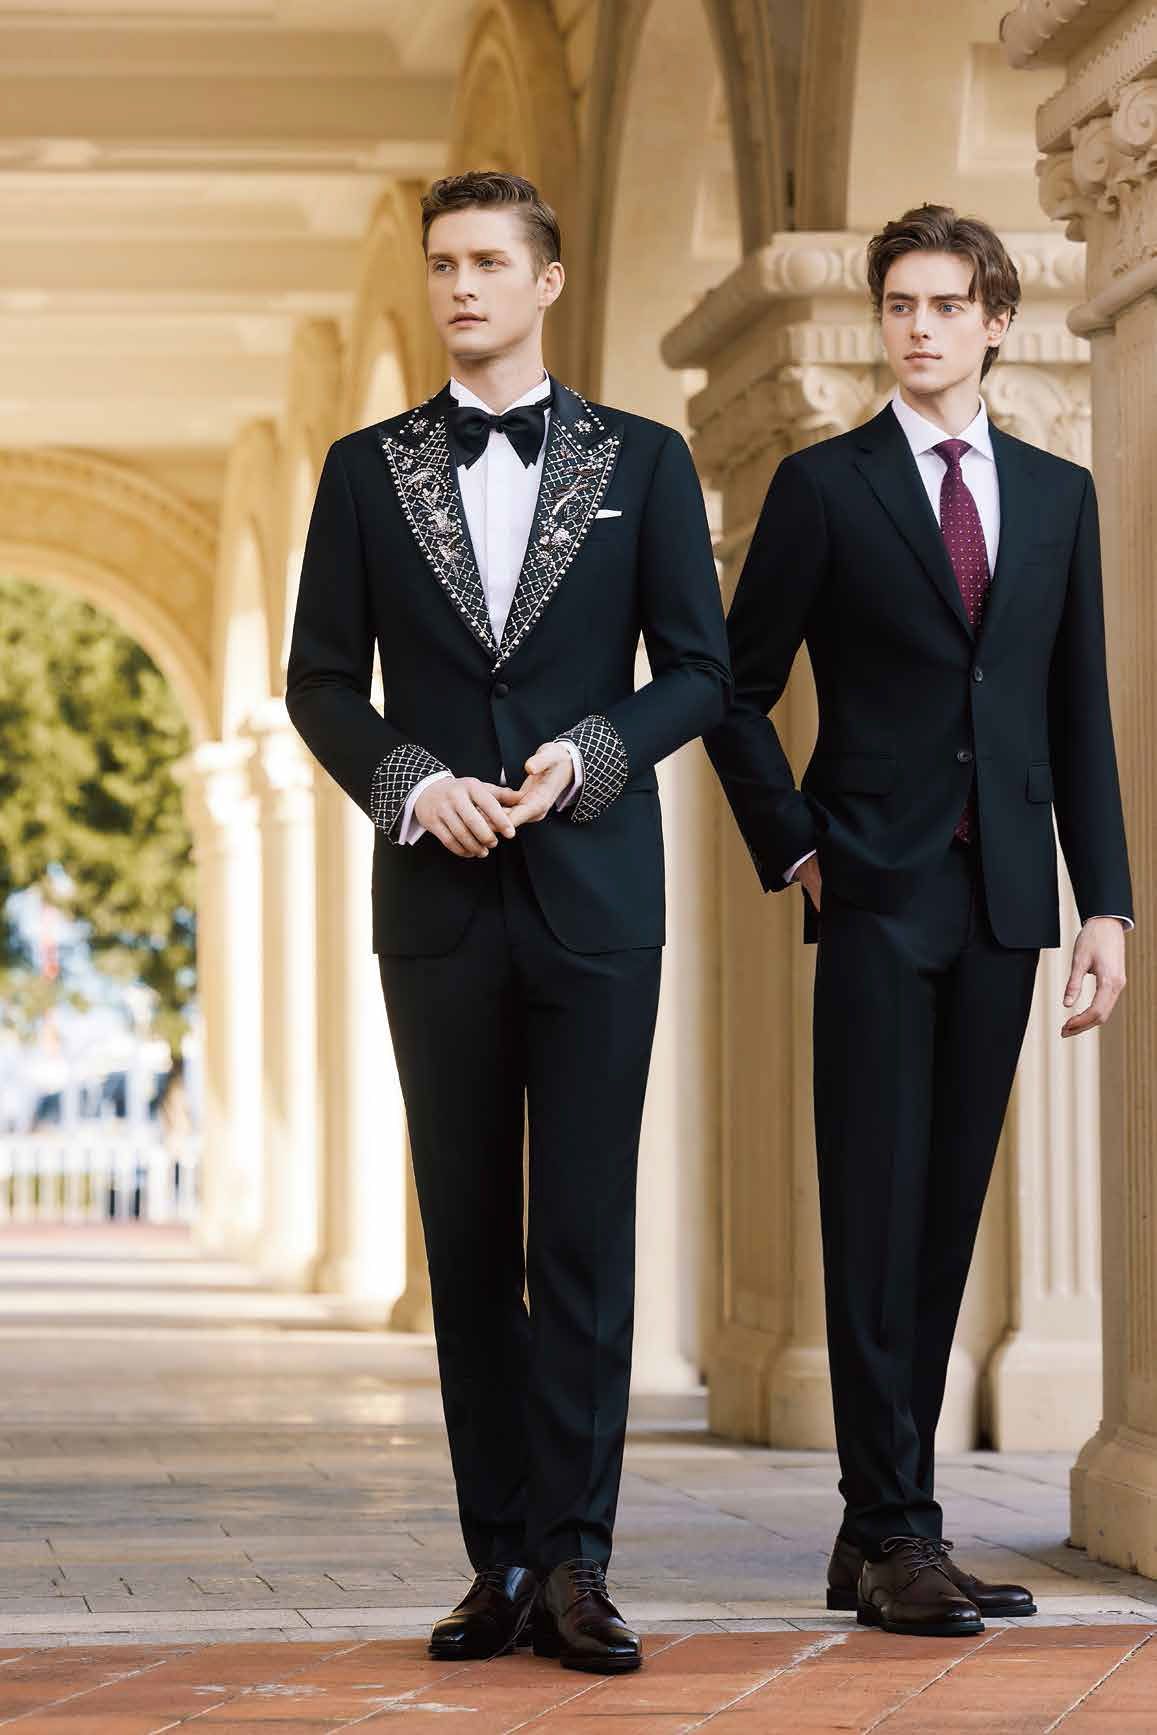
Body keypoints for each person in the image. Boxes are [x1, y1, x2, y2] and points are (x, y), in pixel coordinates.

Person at [286, 170, 730, 1673]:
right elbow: (320, 684)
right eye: (441, 264)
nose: (460, 285)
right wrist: (412, 782)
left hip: (596, 892)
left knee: (585, 1234)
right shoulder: (362, 470)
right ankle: (499, 1560)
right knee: (470, 1238)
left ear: (546, 282)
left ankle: (580, 1567)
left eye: (486, 262)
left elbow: (698, 669)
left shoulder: (645, 462)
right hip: (436, 899)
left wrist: (592, 753)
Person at [706, 204, 1132, 1639]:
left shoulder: (1056, 496)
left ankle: (885, 1529)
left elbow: (1074, 716)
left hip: (1005, 900)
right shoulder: (823, 489)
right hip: (877, 893)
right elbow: (729, 684)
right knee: (874, 1211)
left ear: (996, 319)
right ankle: (893, 1531)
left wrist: (1106, 906)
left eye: (946, 303)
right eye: (899, 304)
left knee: (944, 1211)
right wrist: (796, 844)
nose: (919, 326)